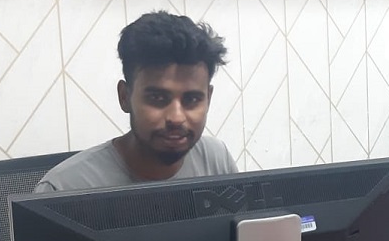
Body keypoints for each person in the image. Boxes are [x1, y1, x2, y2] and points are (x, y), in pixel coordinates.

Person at [36, 11, 238, 192]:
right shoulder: (64, 188)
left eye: (192, 99)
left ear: (208, 99)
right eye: (157, 98)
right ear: (125, 97)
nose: (176, 118)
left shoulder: (217, 162)